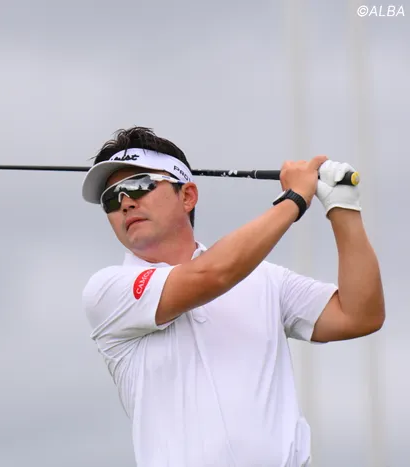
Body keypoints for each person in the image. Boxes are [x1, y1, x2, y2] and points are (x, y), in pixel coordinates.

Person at [80, 126, 385, 467]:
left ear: (187, 196)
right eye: (111, 198)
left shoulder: (264, 278)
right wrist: (294, 199)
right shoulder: (108, 291)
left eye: (140, 185)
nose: (125, 202)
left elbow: (359, 315)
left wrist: (343, 206)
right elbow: (212, 275)